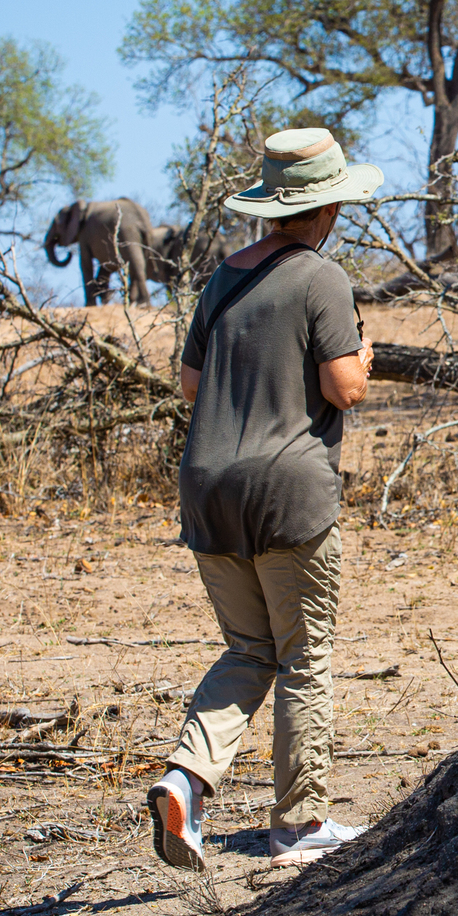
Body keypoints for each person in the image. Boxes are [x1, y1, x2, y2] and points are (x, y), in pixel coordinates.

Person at [148, 128, 381, 870]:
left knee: (250, 648)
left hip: (208, 488)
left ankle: (186, 780)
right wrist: (363, 360)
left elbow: (191, 384)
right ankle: (299, 821)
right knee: (305, 655)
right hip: (290, 488)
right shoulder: (321, 277)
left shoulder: (222, 278)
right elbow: (345, 387)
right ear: (328, 205)